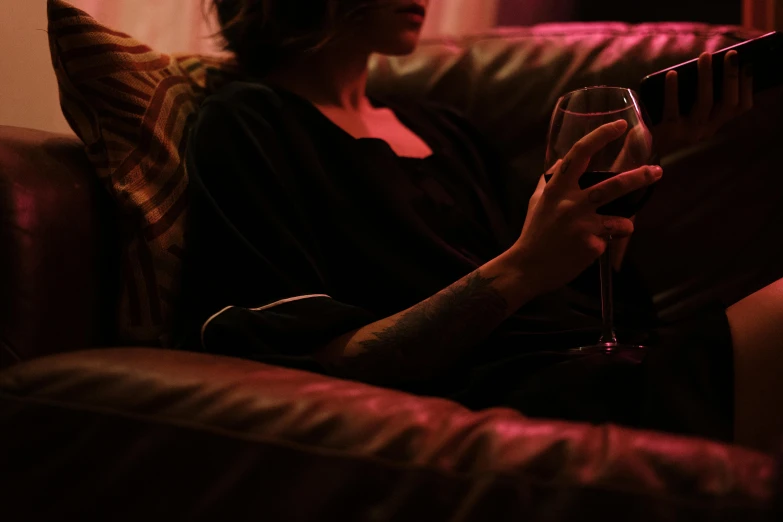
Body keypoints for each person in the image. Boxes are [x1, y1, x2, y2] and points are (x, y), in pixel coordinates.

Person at [175, 0, 783, 452]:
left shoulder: (445, 128)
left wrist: (647, 161)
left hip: (609, 361)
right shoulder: (248, 125)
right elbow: (316, 357)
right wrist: (521, 267)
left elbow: (570, 287)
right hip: (518, 392)